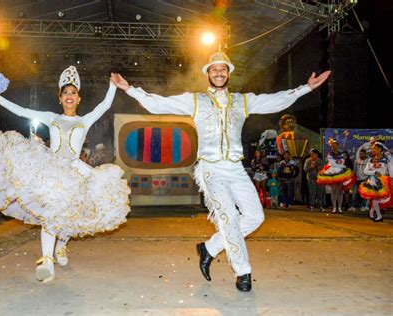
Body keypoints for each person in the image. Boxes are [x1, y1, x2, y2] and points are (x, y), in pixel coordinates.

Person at [110, 51, 330, 292]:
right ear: (208, 73)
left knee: (256, 217)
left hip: (235, 168)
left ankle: (210, 248)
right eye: (214, 69)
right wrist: (129, 89)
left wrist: (305, 89)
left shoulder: (242, 101)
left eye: (222, 69)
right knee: (230, 219)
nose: (218, 73)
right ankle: (243, 272)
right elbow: (159, 102)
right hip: (210, 169)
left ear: (228, 73)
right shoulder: (195, 101)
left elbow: (273, 100)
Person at [0, 66, 131, 283]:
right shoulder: (50, 117)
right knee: (51, 214)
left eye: (73, 93)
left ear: (79, 98)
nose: (69, 96)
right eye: (65, 93)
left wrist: (112, 86)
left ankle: (61, 247)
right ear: (59, 98)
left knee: (70, 215)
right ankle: (46, 260)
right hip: (51, 171)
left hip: (75, 172)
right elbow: (22, 111)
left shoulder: (86, 120)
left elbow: (105, 105)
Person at [317, 139, 354, 214]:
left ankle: (339, 207)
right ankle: (334, 207)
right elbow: (332, 163)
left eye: (335, 145)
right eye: (332, 146)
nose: (333, 147)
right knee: (333, 190)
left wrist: (340, 164)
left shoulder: (341, 153)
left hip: (340, 172)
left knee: (340, 190)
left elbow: (343, 161)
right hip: (333, 172)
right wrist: (339, 164)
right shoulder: (330, 154)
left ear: (337, 145)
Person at [359, 141, 392, 222]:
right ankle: (379, 216)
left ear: (380, 149)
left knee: (379, 198)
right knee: (374, 198)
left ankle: (371, 212)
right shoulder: (370, 160)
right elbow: (365, 171)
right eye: (372, 148)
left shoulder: (386, 159)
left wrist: (391, 178)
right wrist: (374, 173)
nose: (372, 150)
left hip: (383, 181)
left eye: (374, 148)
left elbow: (391, 169)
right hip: (372, 181)